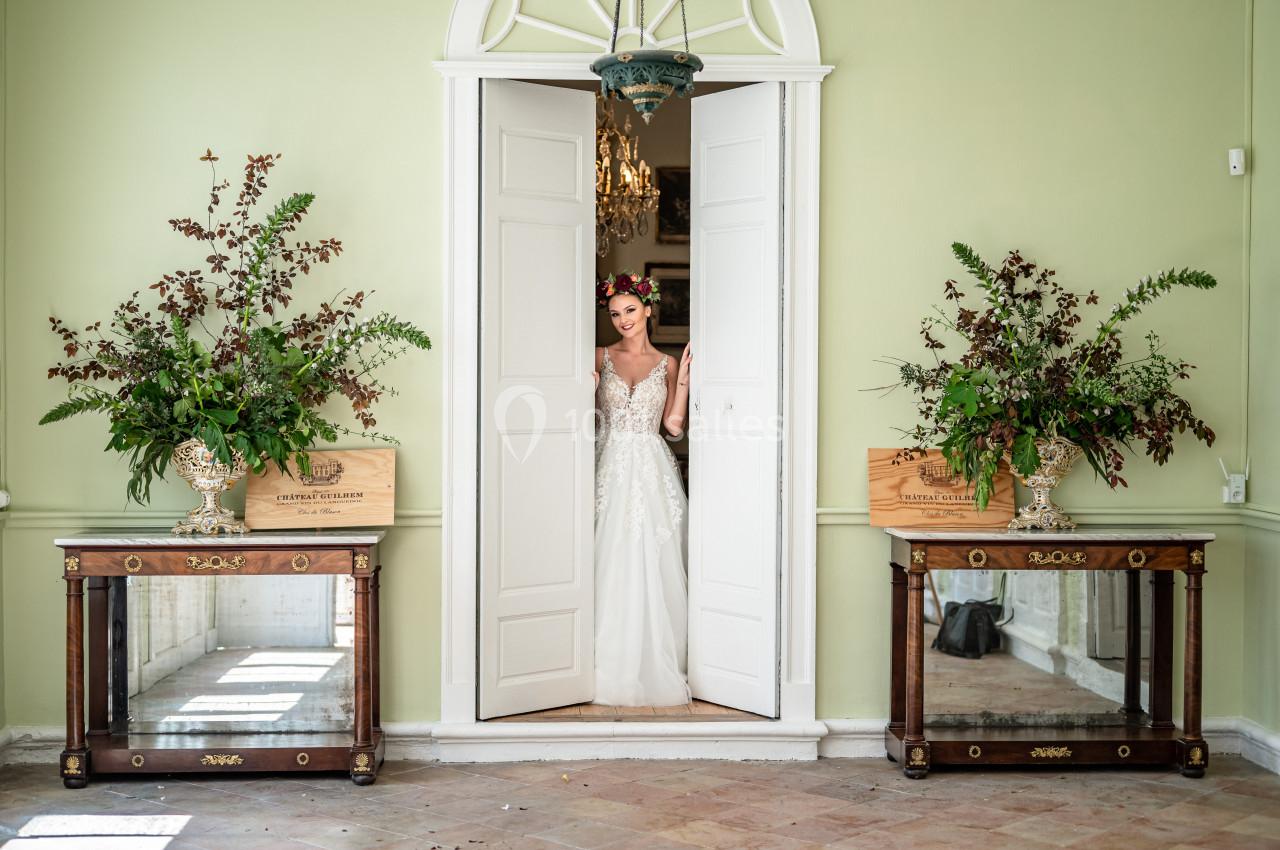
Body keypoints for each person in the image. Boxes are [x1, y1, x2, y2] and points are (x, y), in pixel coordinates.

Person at [592, 272, 693, 706]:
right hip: (607, 463)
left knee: (655, 559)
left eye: (630, 310)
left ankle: (657, 658)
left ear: (648, 309)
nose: (623, 320)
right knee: (607, 555)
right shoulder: (598, 355)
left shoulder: (667, 364)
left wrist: (685, 380)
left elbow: (672, 428)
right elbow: (581, 416)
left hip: (652, 469)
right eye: (615, 314)